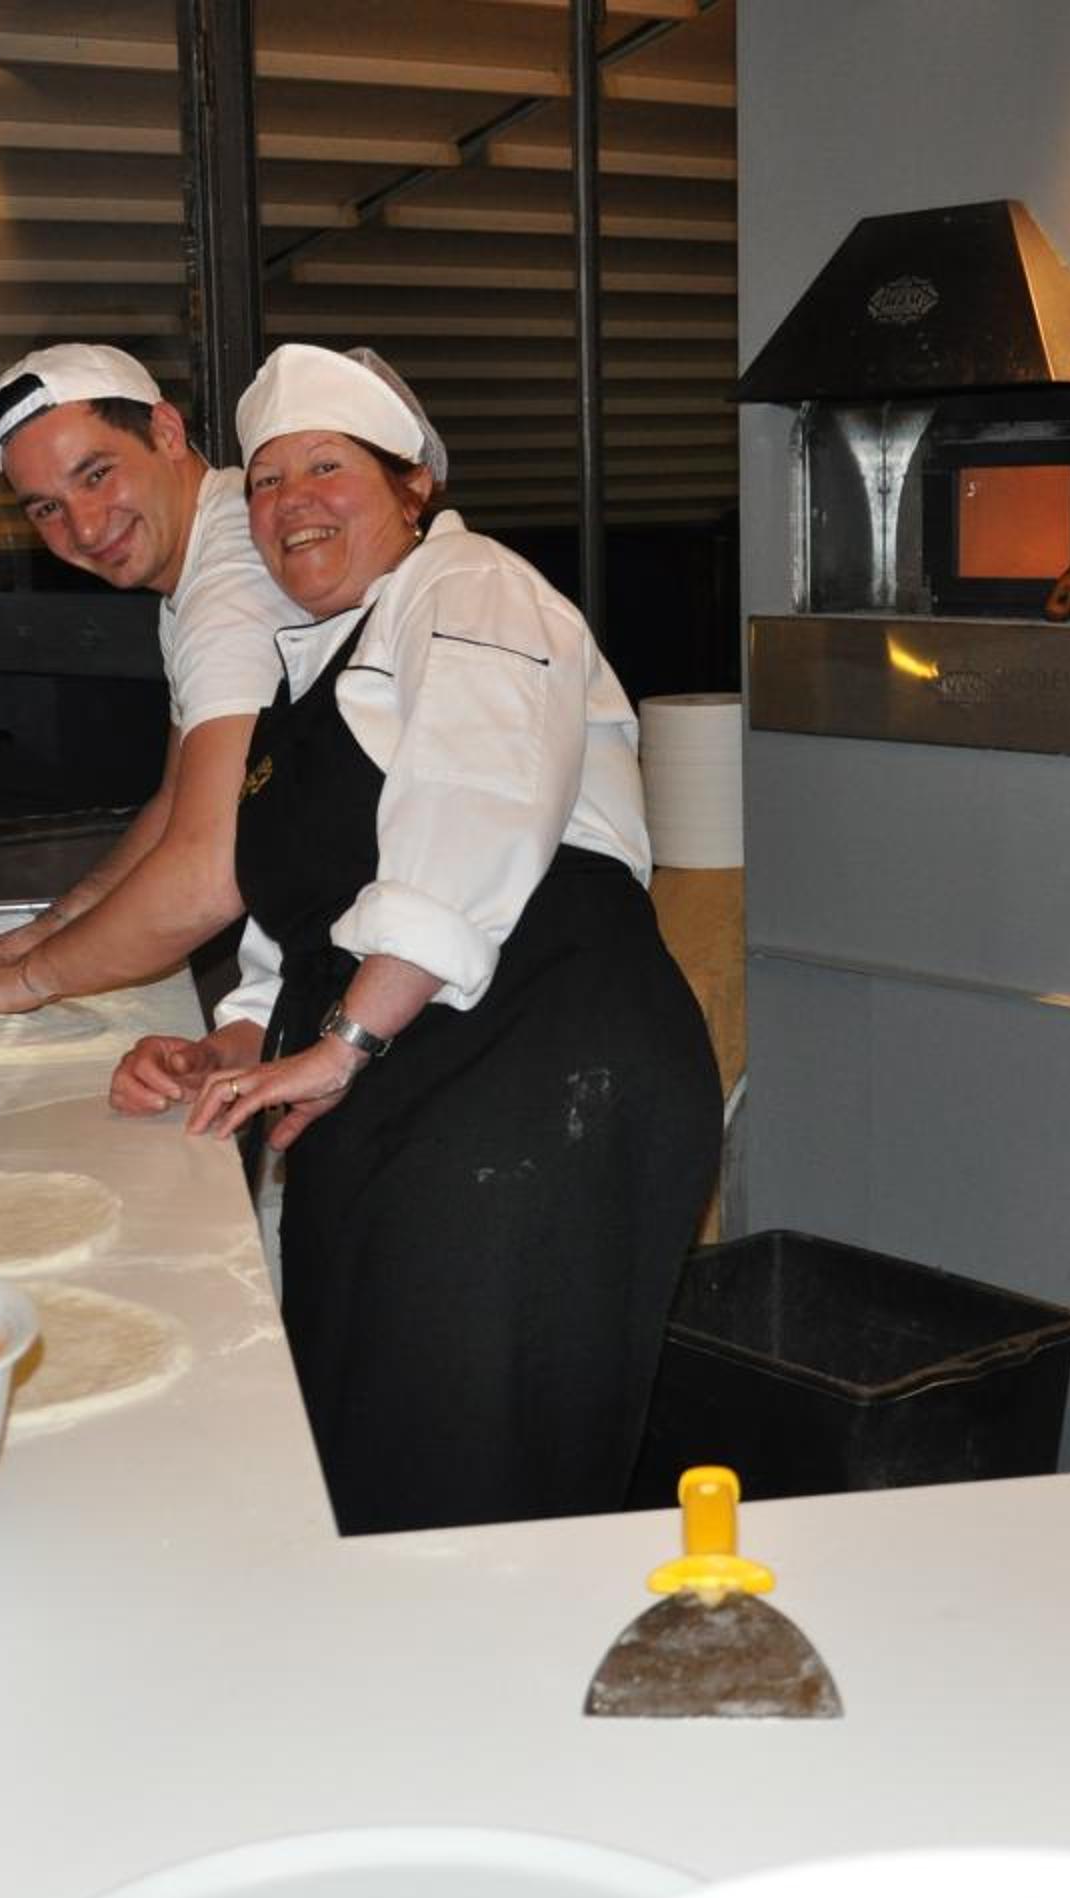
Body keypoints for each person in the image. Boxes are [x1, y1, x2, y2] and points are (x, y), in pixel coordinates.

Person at [107, 344, 721, 1535]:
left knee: (474, 1471)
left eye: (325, 468)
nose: (290, 502)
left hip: (539, 1075)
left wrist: (341, 1043)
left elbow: (473, 810)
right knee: (366, 1451)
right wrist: (227, 1044)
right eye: (267, 481)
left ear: (413, 485)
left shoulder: (472, 588)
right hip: (400, 1083)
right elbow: (311, 923)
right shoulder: (310, 676)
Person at [0, 345, 293, 1014]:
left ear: (166, 432)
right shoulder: (195, 562)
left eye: (96, 474)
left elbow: (210, 871)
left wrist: (27, 980)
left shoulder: (232, 584)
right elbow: (177, 799)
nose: (85, 530)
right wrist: (51, 927)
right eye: (46, 509)